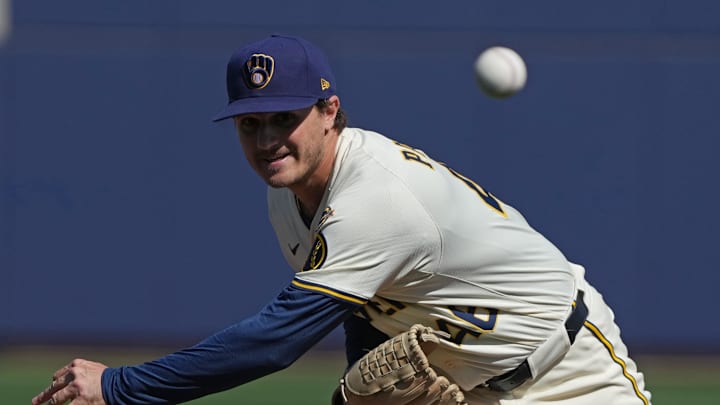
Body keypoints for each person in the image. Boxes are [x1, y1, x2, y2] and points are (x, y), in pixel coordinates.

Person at [31, 34, 652, 405]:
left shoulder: (372, 194)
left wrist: (121, 388)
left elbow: (276, 341)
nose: (268, 138)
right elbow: (362, 305)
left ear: (330, 112)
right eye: (251, 124)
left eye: (284, 118)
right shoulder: (288, 196)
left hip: (569, 372)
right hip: (478, 387)